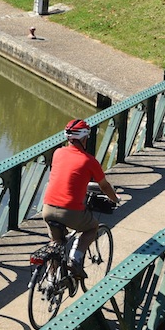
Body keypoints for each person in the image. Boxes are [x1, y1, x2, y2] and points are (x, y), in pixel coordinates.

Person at [42, 119, 121, 278]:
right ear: (85, 138)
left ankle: (51, 280)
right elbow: (105, 186)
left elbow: (67, 176)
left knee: (56, 242)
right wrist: (115, 199)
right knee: (92, 227)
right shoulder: (89, 161)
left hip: (48, 208)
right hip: (70, 211)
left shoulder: (58, 153)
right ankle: (75, 259)